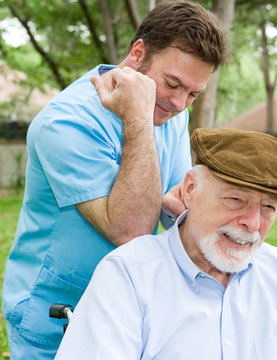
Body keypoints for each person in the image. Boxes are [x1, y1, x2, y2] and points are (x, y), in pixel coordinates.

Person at [2, 2, 229, 358]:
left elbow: (175, 204)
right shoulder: (63, 123)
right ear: (138, 54)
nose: (179, 104)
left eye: (193, 94)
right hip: (56, 316)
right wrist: (137, 116)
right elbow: (130, 229)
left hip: (126, 307)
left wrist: (173, 210)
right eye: (173, 84)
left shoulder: (171, 112)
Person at [55, 128, 277, 359]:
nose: (253, 223)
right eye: (235, 200)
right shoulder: (128, 275)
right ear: (190, 189)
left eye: (268, 207)